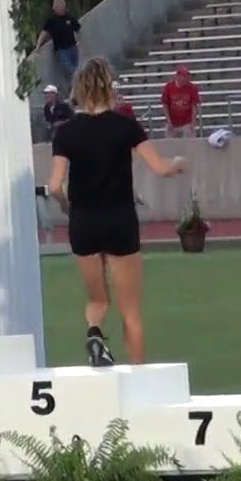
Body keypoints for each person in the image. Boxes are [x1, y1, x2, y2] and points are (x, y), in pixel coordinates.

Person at [48, 58, 185, 367]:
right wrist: (178, 164)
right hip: (119, 220)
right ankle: (139, 377)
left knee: (97, 299)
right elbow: (160, 168)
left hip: (83, 222)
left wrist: (66, 205)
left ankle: (94, 331)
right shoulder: (126, 126)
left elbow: (55, 185)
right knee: (131, 311)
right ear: (108, 88)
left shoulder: (66, 133)